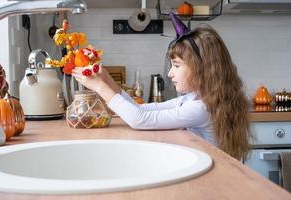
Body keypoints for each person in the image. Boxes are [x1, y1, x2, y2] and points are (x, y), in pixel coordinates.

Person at [72, 13, 251, 160]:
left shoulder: (201, 108)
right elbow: (141, 110)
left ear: (202, 68)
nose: (170, 73)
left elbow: (139, 119)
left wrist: (98, 87)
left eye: (177, 65)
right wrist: (107, 80)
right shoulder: (193, 98)